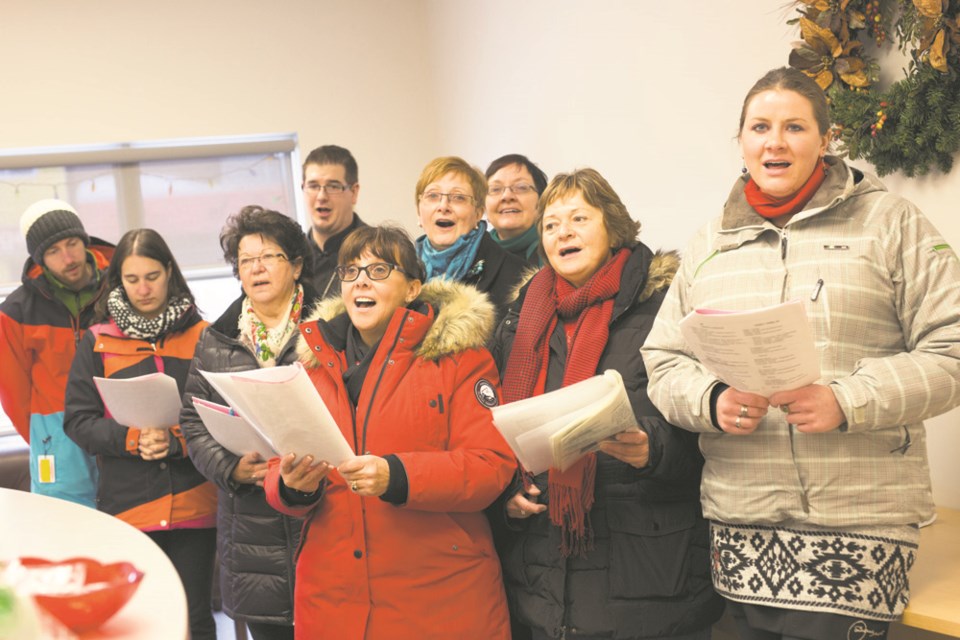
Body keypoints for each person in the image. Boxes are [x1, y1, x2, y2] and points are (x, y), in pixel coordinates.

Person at [641, 67, 960, 640]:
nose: (775, 142)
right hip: (740, 528)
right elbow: (663, 360)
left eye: (794, 127)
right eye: (760, 126)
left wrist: (848, 399)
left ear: (826, 138)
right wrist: (711, 401)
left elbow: (953, 347)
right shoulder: (709, 241)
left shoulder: (890, 222)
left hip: (861, 525)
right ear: (741, 140)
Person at [492, 169, 723, 640]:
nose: (564, 232)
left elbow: (713, 432)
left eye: (579, 218)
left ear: (613, 226)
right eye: (551, 224)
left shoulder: (665, 308)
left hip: (646, 576)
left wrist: (650, 449)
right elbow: (494, 431)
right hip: (543, 575)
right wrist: (505, 493)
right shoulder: (521, 319)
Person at [263, 224, 517, 639]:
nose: (361, 279)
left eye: (379, 270)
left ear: (413, 287)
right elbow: (277, 465)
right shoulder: (309, 365)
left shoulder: (461, 359)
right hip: (333, 601)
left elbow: (491, 467)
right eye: (350, 271)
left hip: (437, 600)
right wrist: (292, 486)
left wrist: (396, 476)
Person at [63, 228, 218, 639]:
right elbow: (77, 420)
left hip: (194, 505)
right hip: (129, 507)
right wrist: (132, 439)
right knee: (142, 624)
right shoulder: (96, 343)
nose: (143, 289)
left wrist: (177, 442)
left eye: (152, 276)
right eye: (132, 280)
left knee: (196, 618)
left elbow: (222, 414)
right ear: (118, 282)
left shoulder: (204, 336)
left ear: (170, 272)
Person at [180, 205, 318, 640]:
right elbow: (193, 420)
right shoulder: (217, 337)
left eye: (269, 256)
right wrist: (229, 468)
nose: (256, 268)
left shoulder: (331, 327)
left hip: (321, 512)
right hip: (249, 525)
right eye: (245, 260)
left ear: (296, 265)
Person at [0, 199, 114, 507]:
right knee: (66, 529)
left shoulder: (122, 290)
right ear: (40, 259)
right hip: (56, 438)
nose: (68, 257)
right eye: (53, 251)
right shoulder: (14, 313)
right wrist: (48, 437)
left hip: (120, 428)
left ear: (85, 241)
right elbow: (14, 394)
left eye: (72, 243)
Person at [415, 156, 531, 324]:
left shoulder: (518, 278)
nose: (443, 206)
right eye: (433, 196)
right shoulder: (400, 271)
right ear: (419, 212)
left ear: (478, 213)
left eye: (458, 197)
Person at [301, 144, 368, 298]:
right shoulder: (291, 257)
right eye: (313, 186)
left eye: (333, 186)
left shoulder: (379, 251)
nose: (321, 196)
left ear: (354, 192)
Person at [485, 153, 548, 264]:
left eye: (521, 187)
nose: (507, 196)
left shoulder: (556, 254)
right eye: (495, 189)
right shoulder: (470, 257)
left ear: (541, 202)